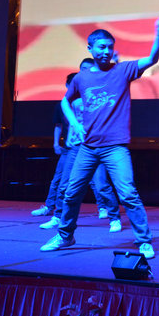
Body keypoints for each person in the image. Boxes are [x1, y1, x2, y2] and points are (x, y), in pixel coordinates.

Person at [40, 13, 159, 259]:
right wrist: (74, 124)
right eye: (101, 47)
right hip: (88, 147)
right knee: (71, 193)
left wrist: (158, 32)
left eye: (110, 47)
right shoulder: (81, 78)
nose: (106, 51)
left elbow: (152, 59)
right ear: (90, 48)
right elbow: (65, 101)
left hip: (115, 147)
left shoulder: (123, 70)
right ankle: (65, 236)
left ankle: (144, 241)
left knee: (128, 193)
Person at [34, 58, 120, 224]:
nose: (86, 71)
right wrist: (63, 140)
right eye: (83, 69)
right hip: (74, 146)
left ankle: (113, 216)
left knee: (101, 184)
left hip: (95, 145)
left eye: (89, 68)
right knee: (64, 183)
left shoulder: (100, 90)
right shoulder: (73, 94)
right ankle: (57, 216)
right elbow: (64, 119)